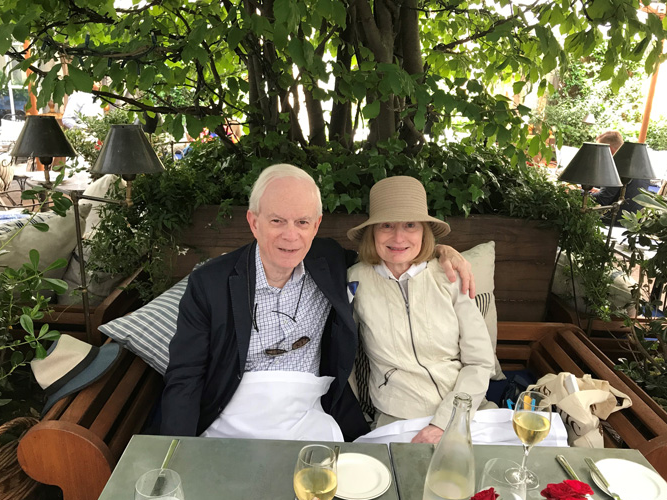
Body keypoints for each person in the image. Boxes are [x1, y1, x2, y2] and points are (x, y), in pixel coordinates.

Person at [160, 164, 475, 442]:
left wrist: (441, 252)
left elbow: (393, 252)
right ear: (254, 222)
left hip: (308, 417)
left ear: (317, 224)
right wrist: (175, 453)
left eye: (302, 222)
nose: (291, 236)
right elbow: (185, 377)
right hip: (231, 421)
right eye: (277, 221)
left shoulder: (330, 262)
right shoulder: (210, 283)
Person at [347, 176, 496, 444]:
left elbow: (480, 361)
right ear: (372, 232)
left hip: (467, 410)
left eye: (410, 225)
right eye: (387, 225)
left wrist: (445, 421)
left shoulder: (449, 275)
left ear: (424, 231)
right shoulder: (355, 280)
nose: (398, 237)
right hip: (397, 417)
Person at [592, 131, 650, 216]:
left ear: (609, 149)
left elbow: (602, 199)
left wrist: (576, 191)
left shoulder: (617, 165)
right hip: (634, 219)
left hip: (616, 220)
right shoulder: (635, 164)